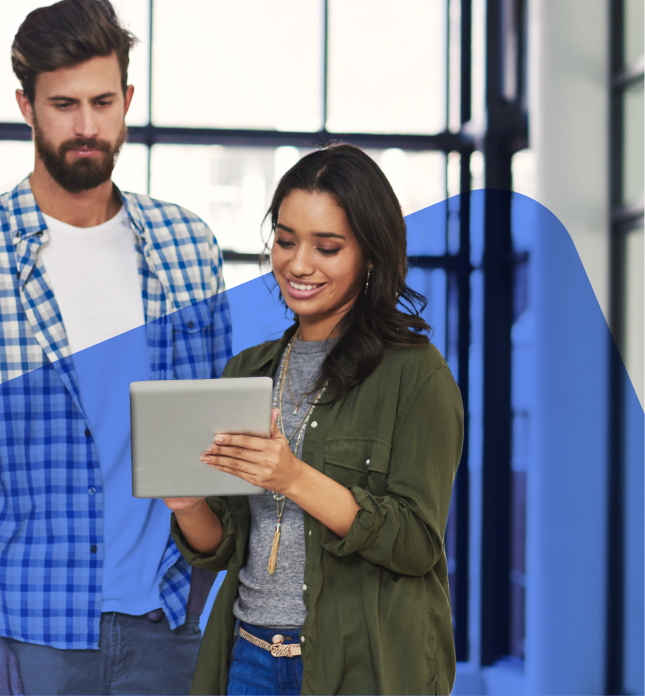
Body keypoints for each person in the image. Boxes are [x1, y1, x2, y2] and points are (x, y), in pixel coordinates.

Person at [0, 1, 230, 694]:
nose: (86, 126)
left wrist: (199, 603)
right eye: (63, 104)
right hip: (27, 634)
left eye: (102, 102)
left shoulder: (186, 245)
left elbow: (215, 442)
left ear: (127, 100)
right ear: (25, 106)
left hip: (167, 623)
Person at [164, 143, 462, 695]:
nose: (298, 264)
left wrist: (294, 478)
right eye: (284, 240)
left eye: (327, 247)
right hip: (250, 657)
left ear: (370, 255)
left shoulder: (417, 376)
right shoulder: (246, 371)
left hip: (360, 666)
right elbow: (226, 545)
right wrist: (188, 505)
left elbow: (417, 543)